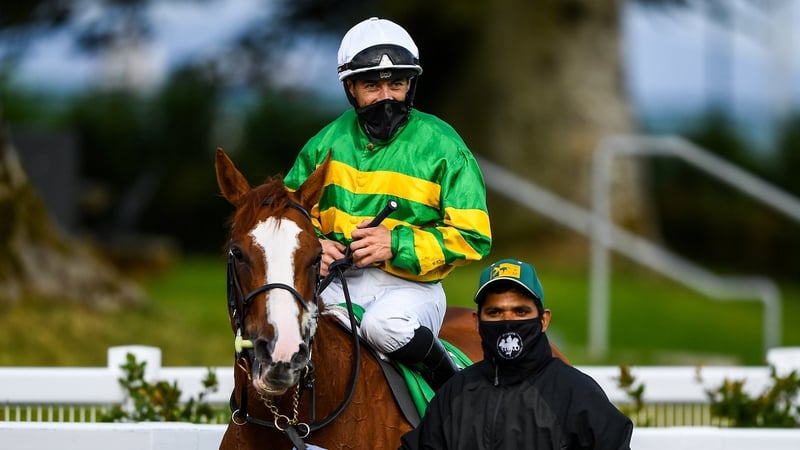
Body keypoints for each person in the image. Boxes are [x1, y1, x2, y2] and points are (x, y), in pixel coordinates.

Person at [283, 17, 492, 390]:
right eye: (371, 85)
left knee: (382, 327)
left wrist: (394, 245)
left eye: (396, 84)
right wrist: (315, 243)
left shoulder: (445, 146)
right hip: (334, 282)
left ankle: (456, 391)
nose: (385, 97)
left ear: (410, 84)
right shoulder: (322, 145)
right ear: (350, 88)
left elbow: (474, 236)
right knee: (282, 320)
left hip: (410, 289)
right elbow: (286, 218)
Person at [399, 258, 633, 449]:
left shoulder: (577, 393)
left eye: (520, 312)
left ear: (543, 320)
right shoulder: (455, 394)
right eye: (495, 312)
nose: (508, 322)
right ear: (477, 322)